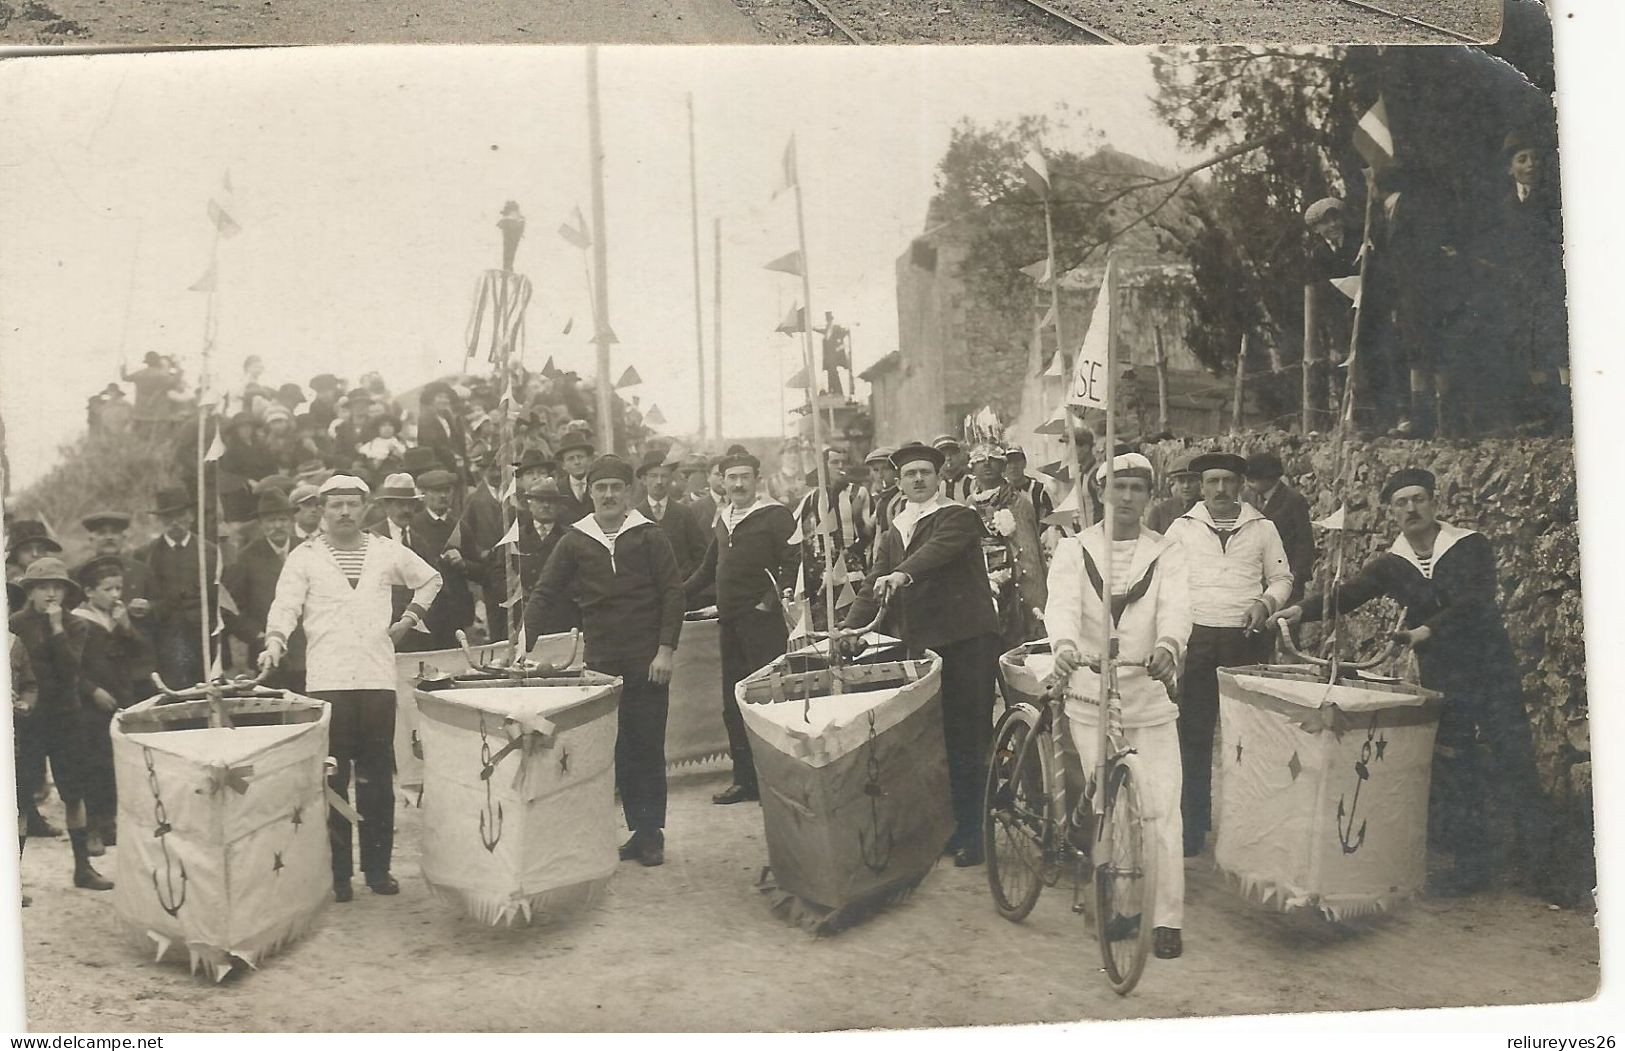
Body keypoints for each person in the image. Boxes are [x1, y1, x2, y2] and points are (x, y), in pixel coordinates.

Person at [1271, 468, 1559, 900]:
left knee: (1514, 757)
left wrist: (1428, 631)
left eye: (1419, 498)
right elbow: (1348, 595)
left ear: (1434, 502)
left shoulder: (1469, 545)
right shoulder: (1392, 563)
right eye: (1402, 502)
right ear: (1392, 512)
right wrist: (1302, 611)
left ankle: (1548, 871)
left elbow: (1477, 601)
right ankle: (1471, 867)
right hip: (1445, 673)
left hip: (1490, 667)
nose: (1411, 508)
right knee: (1455, 764)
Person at [260, 474, 442, 902]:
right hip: (328, 682)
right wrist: (275, 641)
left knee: (378, 778)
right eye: (335, 504)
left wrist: (408, 619)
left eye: (351, 504)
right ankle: (338, 875)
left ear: (365, 508)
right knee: (332, 779)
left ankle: (377, 870)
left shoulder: (383, 551)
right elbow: (285, 606)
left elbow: (430, 579)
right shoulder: (304, 557)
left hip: (377, 679)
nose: (344, 512)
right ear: (321, 511)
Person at [1044, 451, 1191, 960]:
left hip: (1148, 696)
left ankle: (1167, 916)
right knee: (1112, 808)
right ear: (1100, 494)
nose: (1127, 498)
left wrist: (1169, 646)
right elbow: (1061, 606)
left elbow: (1177, 606)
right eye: (1117, 487)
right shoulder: (1074, 549)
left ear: (1151, 497)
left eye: (1137, 488)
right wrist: (1063, 648)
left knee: (1161, 806)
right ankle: (1122, 906)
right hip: (1091, 695)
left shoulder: (1167, 551)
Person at [841, 441, 1000, 866]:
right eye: (910, 474)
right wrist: (849, 629)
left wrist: (902, 572)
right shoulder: (896, 528)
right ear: (900, 480)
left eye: (925, 473)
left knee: (970, 738)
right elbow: (876, 580)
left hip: (966, 641)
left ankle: (977, 834)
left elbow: (936, 554)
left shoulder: (958, 517)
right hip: (926, 648)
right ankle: (955, 827)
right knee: (940, 741)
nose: (917, 480)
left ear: (939, 477)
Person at [524, 456, 684, 866]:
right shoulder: (575, 540)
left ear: (628, 492)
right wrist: (522, 642)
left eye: (616, 487)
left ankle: (650, 835)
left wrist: (665, 649)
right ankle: (632, 829)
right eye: (601, 488)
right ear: (590, 493)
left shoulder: (649, 536)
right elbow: (545, 592)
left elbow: (672, 593)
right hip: (601, 661)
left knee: (646, 743)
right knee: (615, 746)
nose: (609, 495)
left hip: (647, 658)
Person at [1163, 451, 1292, 857]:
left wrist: (1266, 603)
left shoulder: (1262, 527)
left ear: (1241, 486)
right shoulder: (1181, 529)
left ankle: (1246, 829)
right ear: (1201, 487)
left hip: (1245, 639)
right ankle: (1193, 824)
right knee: (1194, 734)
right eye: (1213, 481)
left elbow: (1282, 577)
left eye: (1229, 482)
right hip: (1197, 638)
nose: (1221, 489)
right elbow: (1164, 580)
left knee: (1246, 737)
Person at [682, 446, 798, 805]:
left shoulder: (776, 515)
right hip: (730, 623)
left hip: (762, 624)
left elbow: (795, 562)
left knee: (769, 701)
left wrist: (769, 600)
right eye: (731, 478)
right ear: (723, 481)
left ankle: (778, 783)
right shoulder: (723, 518)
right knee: (734, 703)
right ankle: (745, 780)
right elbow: (707, 569)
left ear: (757, 480)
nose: (738, 484)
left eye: (744, 477)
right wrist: (674, 597)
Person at [9, 558, 113, 890]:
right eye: (43, 587)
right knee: (21, 797)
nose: (51, 593)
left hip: (66, 718)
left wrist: (56, 629)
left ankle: (83, 869)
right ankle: (13, 881)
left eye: (57, 587)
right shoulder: (14, 624)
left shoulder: (75, 625)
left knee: (73, 793)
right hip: (28, 720)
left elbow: (70, 671)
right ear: (30, 591)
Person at [70, 556, 140, 856]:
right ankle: (92, 828)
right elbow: (69, 667)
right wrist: (92, 690)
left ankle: (111, 821)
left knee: (114, 762)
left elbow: (139, 654)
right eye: (108, 589)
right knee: (92, 763)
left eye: (118, 588)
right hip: (90, 704)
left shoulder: (118, 618)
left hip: (119, 699)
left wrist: (126, 626)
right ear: (89, 592)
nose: (115, 595)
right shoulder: (76, 621)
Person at [964, 440, 1047, 648]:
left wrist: (1034, 597)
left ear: (1003, 464)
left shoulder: (1019, 503)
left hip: (1019, 586)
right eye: (981, 460)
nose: (988, 464)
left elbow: (1030, 556)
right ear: (972, 467)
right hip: (984, 589)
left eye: (993, 459)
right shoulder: (969, 505)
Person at [224, 490, 308, 692]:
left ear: (291, 521)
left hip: (308, 649)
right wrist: (259, 635)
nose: (277, 525)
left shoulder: (308, 550)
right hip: (267, 653)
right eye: (271, 521)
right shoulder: (246, 558)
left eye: (282, 519)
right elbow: (232, 610)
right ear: (261, 524)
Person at [140, 488, 219, 689]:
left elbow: (217, 600)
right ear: (160, 521)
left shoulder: (208, 551)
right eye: (167, 517)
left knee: (205, 693)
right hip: (165, 639)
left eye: (180, 515)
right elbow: (143, 600)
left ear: (191, 516)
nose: (174, 522)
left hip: (202, 638)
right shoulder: (146, 554)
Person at [77, 511, 157, 704]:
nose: (109, 537)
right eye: (102, 532)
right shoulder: (77, 573)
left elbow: (161, 606)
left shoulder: (141, 570)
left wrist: (149, 606)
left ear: (124, 537)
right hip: (98, 672)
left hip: (135, 665)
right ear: (91, 538)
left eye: (115, 532)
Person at [792, 446, 873, 628]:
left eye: (844, 462)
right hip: (822, 573)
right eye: (835, 462)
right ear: (824, 466)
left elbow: (869, 534)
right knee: (825, 624)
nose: (840, 466)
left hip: (854, 569)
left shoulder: (858, 493)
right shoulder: (813, 497)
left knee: (854, 623)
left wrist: (858, 517)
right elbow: (791, 528)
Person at [407, 469, 478, 651]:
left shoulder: (460, 526)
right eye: (436, 491)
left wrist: (464, 564)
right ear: (423, 494)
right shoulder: (413, 526)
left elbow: (482, 571)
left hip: (456, 611)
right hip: (424, 612)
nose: (443, 495)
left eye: (447, 490)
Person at [1243, 451, 1315, 604]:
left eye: (1253, 480)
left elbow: (1304, 542)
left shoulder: (1293, 500)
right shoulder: (1249, 497)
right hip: (1254, 579)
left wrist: (1295, 577)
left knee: (1281, 623)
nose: (1249, 484)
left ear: (1270, 478)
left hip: (1285, 577)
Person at [635, 451, 708, 584]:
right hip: (646, 592)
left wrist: (687, 583)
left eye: (664, 476)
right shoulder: (634, 516)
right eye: (653, 476)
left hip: (682, 589)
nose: (659, 481)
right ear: (644, 480)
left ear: (670, 479)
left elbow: (700, 556)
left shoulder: (684, 513)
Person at [463, 449, 511, 642]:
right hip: (490, 567)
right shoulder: (475, 500)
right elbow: (465, 533)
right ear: (482, 471)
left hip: (513, 564)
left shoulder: (513, 493)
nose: (496, 474)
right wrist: (478, 553)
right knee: (495, 613)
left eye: (499, 469)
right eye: (491, 470)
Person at [862, 446, 903, 566]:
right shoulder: (882, 500)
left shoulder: (900, 499)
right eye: (875, 470)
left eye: (885, 469)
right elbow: (870, 530)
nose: (880, 475)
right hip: (879, 561)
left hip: (893, 562)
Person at [415, 382, 467, 474]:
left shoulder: (447, 417)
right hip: (438, 466)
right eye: (439, 396)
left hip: (453, 464)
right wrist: (453, 456)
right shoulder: (426, 418)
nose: (444, 400)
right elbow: (432, 444)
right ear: (431, 399)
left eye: (446, 397)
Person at [554, 429, 596, 524]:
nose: (577, 462)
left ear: (589, 460)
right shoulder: (557, 490)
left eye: (580, 457)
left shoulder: (597, 484)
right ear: (563, 465)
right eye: (571, 459)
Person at [1003, 445, 1054, 523]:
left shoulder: (1040, 490)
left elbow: (1055, 517)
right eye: (1009, 462)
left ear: (1024, 463)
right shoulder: (1000, 491)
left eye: (1017, 461)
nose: (1013, 466)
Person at [931, 435, 974, 502]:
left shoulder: (971, 483)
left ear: (959, 455)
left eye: (952, 453)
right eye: (943, 455)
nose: (948, 458)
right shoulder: (934, 487)